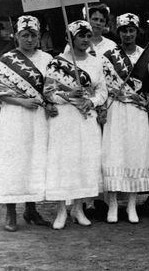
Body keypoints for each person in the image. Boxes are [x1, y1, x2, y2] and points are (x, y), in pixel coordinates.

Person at [0, 16, 55, 231]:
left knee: (35, 160)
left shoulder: (46, 59)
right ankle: (10, 211)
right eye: (24, 35)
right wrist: (21, 101)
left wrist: (50, 102)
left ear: (39, 37)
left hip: (37, 117)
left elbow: (52, 88)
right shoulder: (7, 60)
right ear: (16, 36)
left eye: (33, 35)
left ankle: (31, 208)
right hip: (14, 117)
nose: (29, 39)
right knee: (13, 161)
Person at [44, 20, 107, 229]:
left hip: (85, 118)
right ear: (69, 38)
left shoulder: (95, 63)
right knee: (63, 162)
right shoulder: (56, 62)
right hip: (64, 118)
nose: (85, 40)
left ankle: (78, 208)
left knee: (84, 161)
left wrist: (92, 101)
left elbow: (102, 92)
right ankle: (61, 209)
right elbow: (49, 93)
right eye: (80, 36)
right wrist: (68, 95)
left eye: (88, 36)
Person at [101, 13, 149, 224]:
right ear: (118, 32)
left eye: (132, 30)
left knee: (135, 152)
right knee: (115, 151)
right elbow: (104, 84)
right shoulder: (108, 55)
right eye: (124, 30)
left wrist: (147, 97)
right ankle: (113, 204)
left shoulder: (146, 54)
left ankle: (132, 204)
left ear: (137, 31)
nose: (128, 34)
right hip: (117, 108)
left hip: (137, 110)